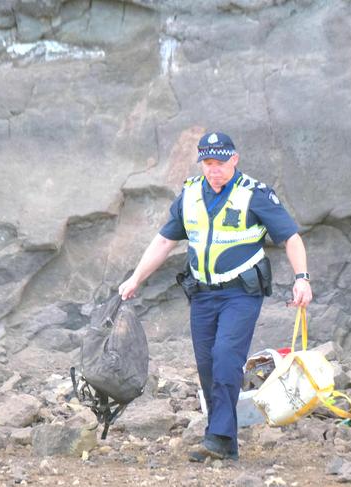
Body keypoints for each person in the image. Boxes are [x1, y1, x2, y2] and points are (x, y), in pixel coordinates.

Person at [118, 131, 312, 461]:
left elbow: (291, 238)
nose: (214, 169)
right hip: (203, 295)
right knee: (208, 365)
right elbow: (165, 241)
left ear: (234, 160)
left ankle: (219, 437)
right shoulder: (191, 194)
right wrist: (135, 277)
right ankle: (224, 442)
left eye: (220, 162)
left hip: (241, 294)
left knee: (225, 358)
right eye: (208, 162)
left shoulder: (256, 194)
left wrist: (302, 278)